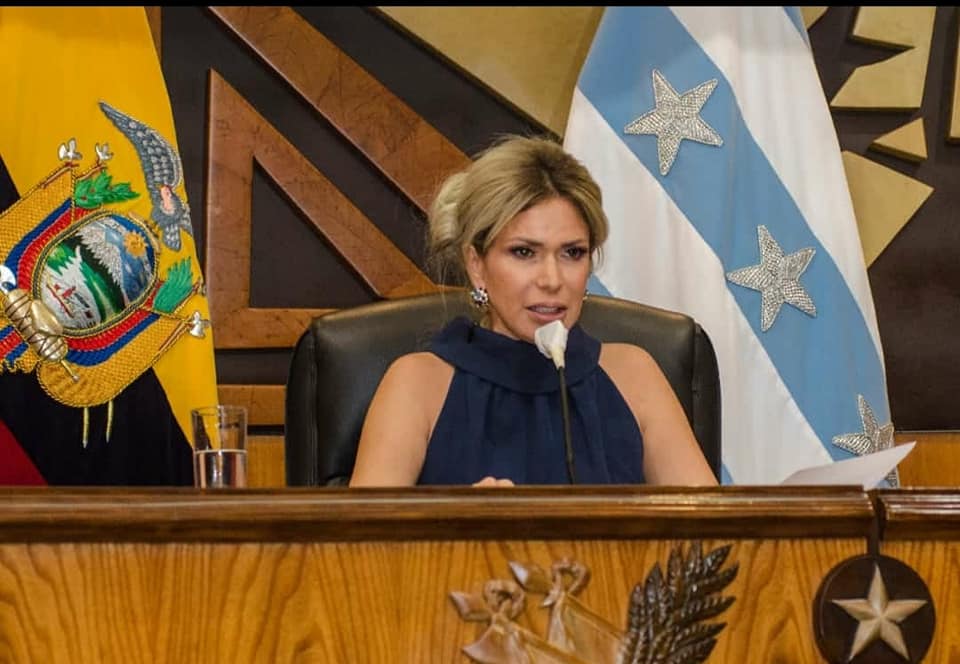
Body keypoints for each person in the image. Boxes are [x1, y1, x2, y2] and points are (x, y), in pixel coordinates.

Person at [349, 135, 717, 487]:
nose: (552, 279)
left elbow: (714, 525)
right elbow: (360, 532)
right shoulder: (416, 384)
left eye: (572, 253)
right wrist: (462, 521)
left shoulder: (635, 375)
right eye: (524, 252)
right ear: (476, 265)